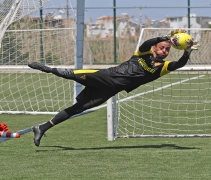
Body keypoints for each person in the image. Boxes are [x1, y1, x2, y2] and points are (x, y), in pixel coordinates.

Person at [28, 29, 200, 146]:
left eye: (167, 49)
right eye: (162, 47)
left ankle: (42, 128)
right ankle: (47, 69)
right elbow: (149, 41)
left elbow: (179, 64)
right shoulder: (142, 52)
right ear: (155, 47)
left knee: (78, 109)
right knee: (71, 73)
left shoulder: (161, 68)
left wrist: (187, 51)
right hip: (105, 76)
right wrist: (165, 37)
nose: (165, 51)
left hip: (109, 90)